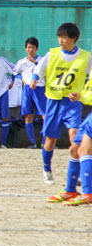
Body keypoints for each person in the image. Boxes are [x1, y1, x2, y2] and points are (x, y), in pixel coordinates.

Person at [31, 23, 92, 185]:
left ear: (74, 38)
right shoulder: (52, 54)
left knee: (75, 138)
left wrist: (83, 93)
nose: (61, 40)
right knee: (50, 141)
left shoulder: (85, 57)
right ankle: (47, 169)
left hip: (73, 103)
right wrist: (34, 79)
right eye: (59, 37)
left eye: (64, 37)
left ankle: (77, 174)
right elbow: (39, 70)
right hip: (53, 102)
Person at [13, 37, 47, 149]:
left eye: (32, 47)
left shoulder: (42, 60)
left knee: (44, 115)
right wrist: (22, 78)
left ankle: (45, 142)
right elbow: (15, 72)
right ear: (25, 49)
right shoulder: (22, 62)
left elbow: (48, 71)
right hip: (27, 89)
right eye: (28, 47)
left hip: (40, 88)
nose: (30, 49)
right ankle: (32, 142)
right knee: (28, 115)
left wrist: (36, 62)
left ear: (36, 48)